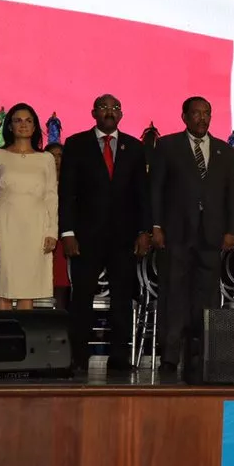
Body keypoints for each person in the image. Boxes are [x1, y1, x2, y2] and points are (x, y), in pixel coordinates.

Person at [58, 95, 151, 372]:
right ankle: (78, 357)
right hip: (85, 236)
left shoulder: (134, 147)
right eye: (104, 108)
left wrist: (144, 231)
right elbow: (67, 193)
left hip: (123, 237)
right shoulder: (76, 144)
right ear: (93, 113)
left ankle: (120, 358)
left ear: (121, 114)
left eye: (115, 108)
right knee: (82, 297)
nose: (109, 112)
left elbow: (142, 195)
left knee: (122, 297)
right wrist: (67, 232)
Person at [150, 97, 234, 372]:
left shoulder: (224, 151)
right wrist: (155, 226)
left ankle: (200, 354)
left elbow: (232, 196)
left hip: (212, 235)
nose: (202, 118)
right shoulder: (167, 146)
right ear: (184, 116)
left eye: (207, 113)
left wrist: (232, 231)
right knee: (174, 294)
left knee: (207, 296)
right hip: (176, 232)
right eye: (196, 113)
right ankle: (170, 355)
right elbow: (156, 189)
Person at [0, 103, 58, 310]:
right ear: (9, 126)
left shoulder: (46, 159)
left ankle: (23, 341)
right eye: (17, 120)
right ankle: (2, 340)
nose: (23, 125)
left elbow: (51, 197)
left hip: (35, 227)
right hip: (4, 226)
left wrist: (52, 231)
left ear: (35, 127)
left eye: (28, 121)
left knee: (29, 288)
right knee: (4, 287)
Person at [46, 142, 70, 311]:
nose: (56, 160)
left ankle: (60, 319)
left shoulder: (70, 182)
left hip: (63, 235)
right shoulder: (37, 180)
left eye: (60, 156)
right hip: (40, 233)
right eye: (52, 156)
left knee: (61, 281)